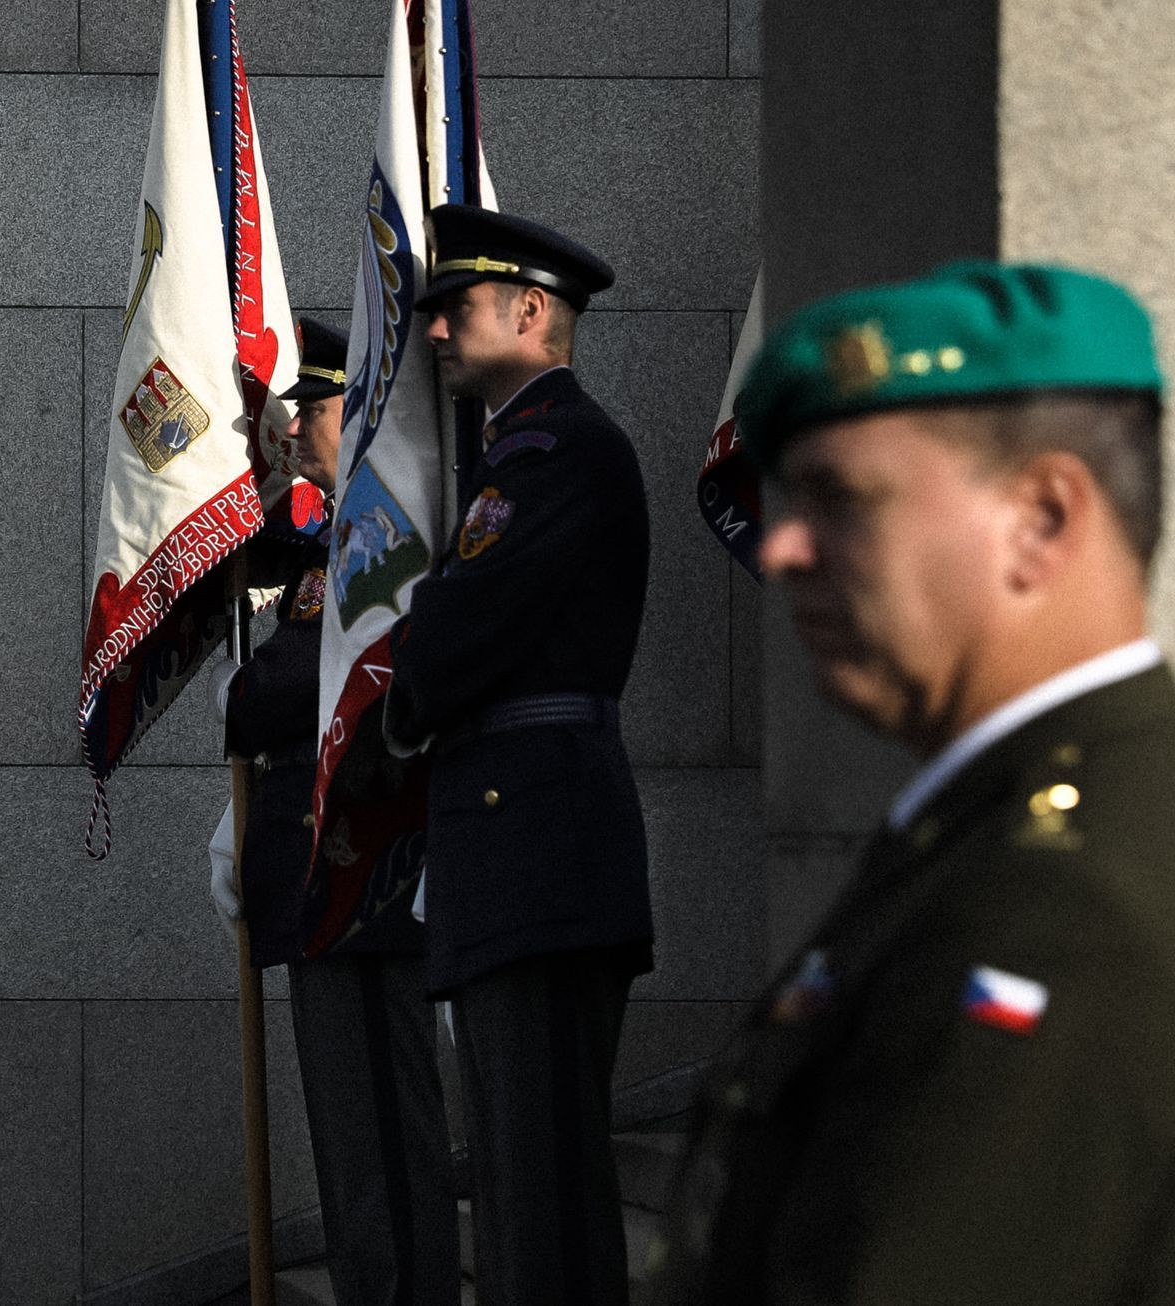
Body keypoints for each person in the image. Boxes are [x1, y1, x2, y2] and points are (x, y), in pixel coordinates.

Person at [650, 261, 1175, 1304]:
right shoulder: (993, 825)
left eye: (839, 498)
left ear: (1042, 518)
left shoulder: (1068, 906)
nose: (787, 545)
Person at [381, 205, 653, 1305]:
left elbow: (461, 626)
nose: (436, 333)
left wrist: (394, 695)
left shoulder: (555, 448)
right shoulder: (522, 450)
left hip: (536, 837)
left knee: (535, 1192)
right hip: (525, 836)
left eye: (456, 308)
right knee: (523, 1176)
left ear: (531, 311)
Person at [209, 317, 461, 1304]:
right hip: (333, 870)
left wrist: (243, 690)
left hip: (368, 865)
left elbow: (297, 684)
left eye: (310, 407)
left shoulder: (378, 526)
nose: (298, 427)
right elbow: (277, 550)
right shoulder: (333, 525)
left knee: (383, 1134)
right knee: (355, 1134)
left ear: (352, 408)